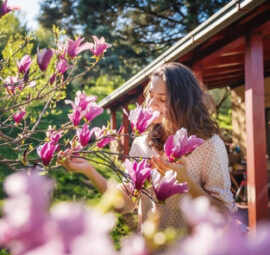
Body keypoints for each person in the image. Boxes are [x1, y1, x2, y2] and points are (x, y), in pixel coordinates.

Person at [59, 62, 237, 235]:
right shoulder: (143, 144)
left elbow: (223, 214)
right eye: (150, 95)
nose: (151, 104)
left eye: (162, 99)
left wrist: (186, 180)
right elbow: (125, 202)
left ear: (185, 102)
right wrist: (89, 170)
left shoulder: (209, 145)